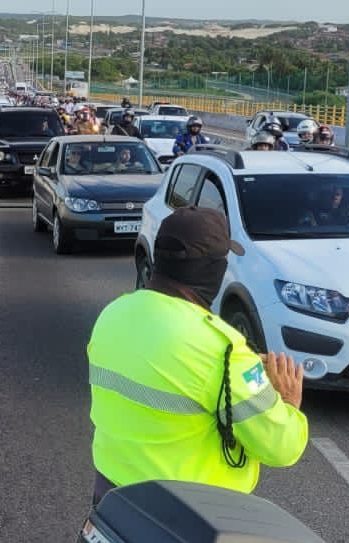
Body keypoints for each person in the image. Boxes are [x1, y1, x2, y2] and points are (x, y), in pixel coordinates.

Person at [88, 207, 307, 504]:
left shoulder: (114, 314)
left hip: (112, 497)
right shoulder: (222, 350)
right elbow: (281, 447)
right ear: (214, 270)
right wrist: (287, 402)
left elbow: (166, 372)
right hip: (188, 517)